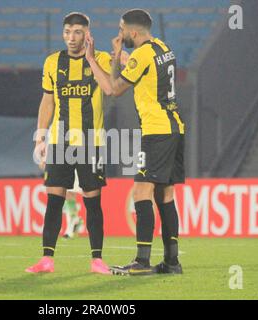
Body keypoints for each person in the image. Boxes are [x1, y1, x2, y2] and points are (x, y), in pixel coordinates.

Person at [85, 8, 185, 275]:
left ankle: (142, 262)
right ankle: (172, 262)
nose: (119, 34)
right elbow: (126, 77)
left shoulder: (141, 55)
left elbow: (113, 89)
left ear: (133, 32)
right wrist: (118, 56)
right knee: (165, 195)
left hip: (156, 131)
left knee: (141, 192)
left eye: (121, 30)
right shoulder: (163, 47)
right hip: (175, 127)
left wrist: (93, 60)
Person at [26, 12, 113, 274]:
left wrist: (91, 59)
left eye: (77, 32)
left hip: (91, 142)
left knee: (92, 201)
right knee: (54, 200)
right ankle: (47, 259)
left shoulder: (102, 59)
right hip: (60, 141)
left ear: (87, 34)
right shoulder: (53, 62)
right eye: (67, 32)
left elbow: (109, 88)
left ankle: (97, 259)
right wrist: (40, 136)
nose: (71, 37)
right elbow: (47, 100)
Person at [62, 171, 84, 239]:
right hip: (68, 166)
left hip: (78, 166)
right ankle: (71, 227)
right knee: (68, 193)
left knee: (70, 193)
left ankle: (74, 222)